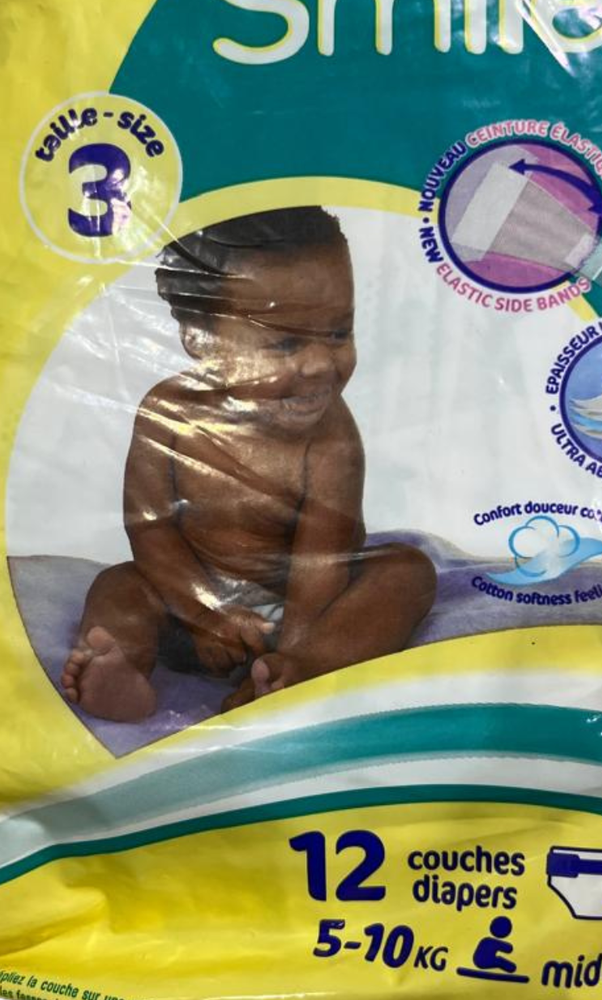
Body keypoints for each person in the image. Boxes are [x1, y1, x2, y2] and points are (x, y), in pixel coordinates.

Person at [61, 207, 435, 721]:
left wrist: (291, 650)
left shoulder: (332, 438)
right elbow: (150, 529)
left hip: (304, 612)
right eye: (285, 343)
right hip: (185, 604)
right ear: (201, 339)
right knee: (119, 587)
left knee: (407, 572)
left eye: (338, 333)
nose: (320, 364)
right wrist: (202, 612)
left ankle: (295, 676)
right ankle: (119, 668)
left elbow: (319, 564)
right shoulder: (168, 415)